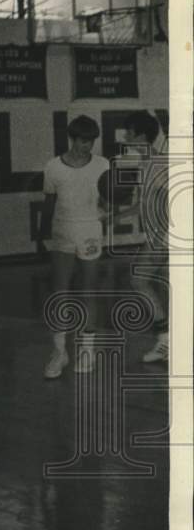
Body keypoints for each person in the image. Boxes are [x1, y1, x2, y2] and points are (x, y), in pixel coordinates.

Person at [38, 115, 109, 379]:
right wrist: (40, 236)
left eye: (91, 142)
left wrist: (109, 207)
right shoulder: (53, 167)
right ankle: (59, 352)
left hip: (90, 230)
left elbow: (108, 201)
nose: (86, 147)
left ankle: (87, 350)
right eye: (82, 141)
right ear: (72, 138)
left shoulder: (103, 165)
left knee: (89, 290)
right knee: (60, 292)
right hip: (62, 231)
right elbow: (48, 203)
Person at [113, 111, 169, 363]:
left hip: (166, 235)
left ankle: (166, 338)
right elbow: (146, 203)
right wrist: (115, 216)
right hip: (162, 235)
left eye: (129, 132)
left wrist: (163, 237)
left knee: (139, 279)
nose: (125, 136)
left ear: (141, 135)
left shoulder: (159, 164)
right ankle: (168, 340)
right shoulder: (146, 163)